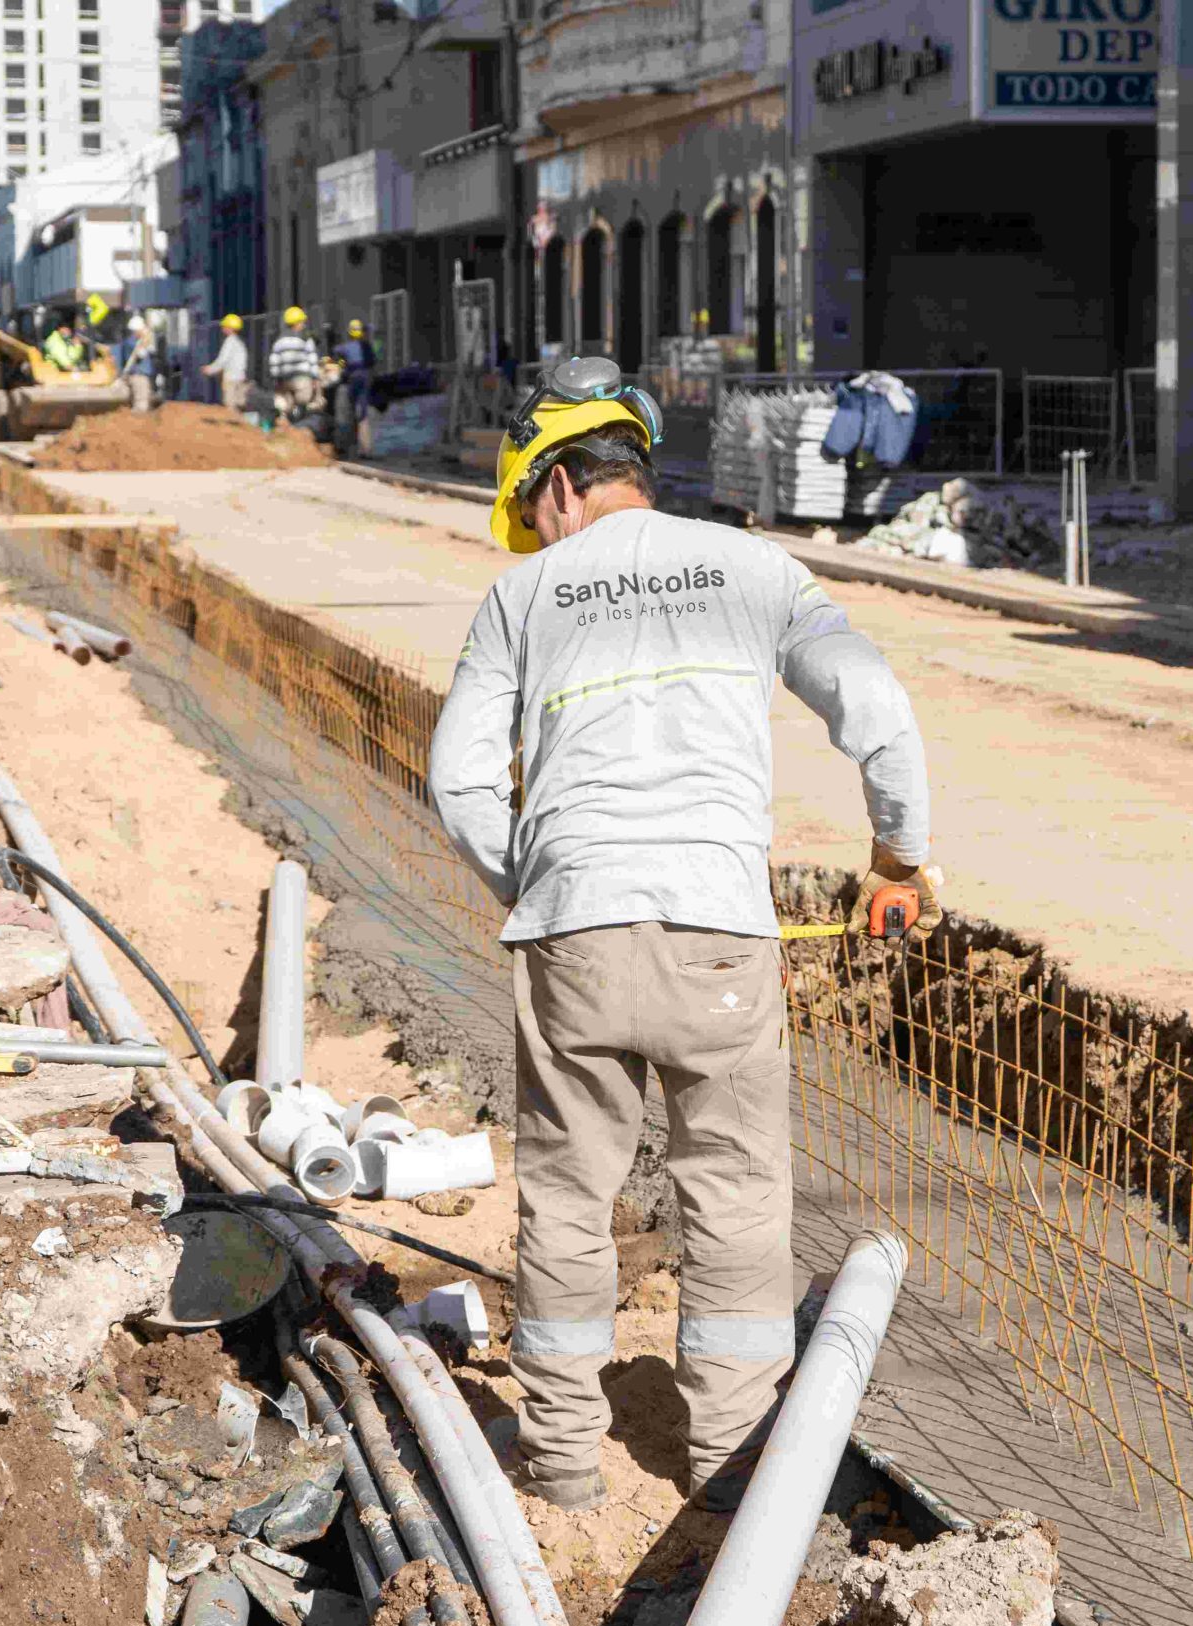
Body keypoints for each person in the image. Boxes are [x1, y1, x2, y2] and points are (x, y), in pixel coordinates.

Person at [427, 355, 936, 1516]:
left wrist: (548, 877)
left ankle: (558, 1463)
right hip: (719, 932)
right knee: (737, 1195)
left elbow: (457, 781)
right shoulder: (755, 567)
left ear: (554, 481)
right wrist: (898, 858)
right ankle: (730, 1469)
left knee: (566, 1194)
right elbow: (879, 710)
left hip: (573, 935)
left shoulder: (523, 597)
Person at [267, 305, 320, 427]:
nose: (304, 324)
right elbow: (312, 359)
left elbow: (274, 361)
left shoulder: (279, 341)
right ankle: (299, 423)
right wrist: (315, 377)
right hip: (302, 379)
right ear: (297, 323)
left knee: (287, 405)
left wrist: (276, 378)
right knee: (304, 401)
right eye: (302, 322)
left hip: (285, 380)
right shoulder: (306, 338)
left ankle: (287, 424)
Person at [203, 313, 250, 416]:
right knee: (239, 406)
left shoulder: (230, 342)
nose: (223, 328)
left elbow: (222, 360)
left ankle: (234, 430)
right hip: (241, 378)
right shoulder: (240, 343)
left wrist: (210, 369)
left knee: (230, 406)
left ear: (230, 327)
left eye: (225, 326)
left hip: (231, 379)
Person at [120, 313, 159, 413]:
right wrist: (145, 341)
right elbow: (141, 354)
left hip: (142, 374)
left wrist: (148, 340)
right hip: (138, 375)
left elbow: (152, 351)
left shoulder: (139, 341)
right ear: (136, 330)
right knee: (141, 406)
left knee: (145, 400)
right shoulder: (131, 342)